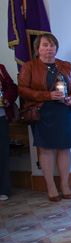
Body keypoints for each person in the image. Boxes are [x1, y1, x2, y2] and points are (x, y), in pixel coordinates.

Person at [18, 34, 71, 201]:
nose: (49, 48)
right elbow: (23, 90)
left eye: (52, 45)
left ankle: (65, 184)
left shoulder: (66, 65)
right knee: (46, 150)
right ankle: (51, 186)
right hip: (43, 112)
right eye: (45, 45)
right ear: (37, 48)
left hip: (64, 112)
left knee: (65, 148)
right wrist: (48, 95)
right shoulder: (29, 66)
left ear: (57, 48)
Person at [0, 64, 18, 200]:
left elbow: (12, 87)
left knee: (2, 153)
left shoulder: (0, 68)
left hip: (1, 117)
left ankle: (3, 189)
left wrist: (7, 99)